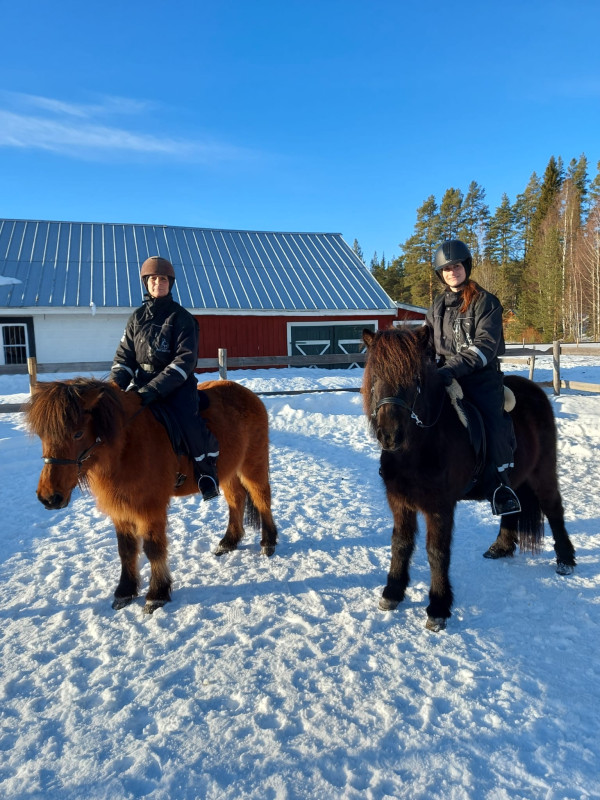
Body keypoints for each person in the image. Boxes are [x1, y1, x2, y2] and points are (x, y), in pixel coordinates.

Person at [110, 256, 220, 501]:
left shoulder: (182, 318)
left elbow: (185, 360)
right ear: (145, 283)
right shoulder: (136, 319)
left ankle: (205, 473)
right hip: (141, 385)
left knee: (188, 421)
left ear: (170, 283)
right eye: (152, 279)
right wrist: (115, 387)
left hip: (176, 385)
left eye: (162, 279)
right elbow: (124, 357)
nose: (157, 283)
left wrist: (154, 389)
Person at [425, 239, 520, 516]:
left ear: (466, 267)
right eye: (446, 268)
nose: (452, 271)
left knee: (492, 421)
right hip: (443, 375)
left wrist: (451, 369)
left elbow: (485, 346)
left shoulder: (486, 302)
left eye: (456, 266)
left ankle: (501, 485)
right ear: (440, 274)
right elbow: (427, 344)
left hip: (480, 377)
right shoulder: (437, 306)